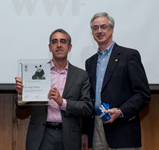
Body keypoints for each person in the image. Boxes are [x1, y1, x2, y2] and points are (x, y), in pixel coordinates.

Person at [81, 12, 151, 150]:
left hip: (123, 130)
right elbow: (89, 99)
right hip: (97, 130)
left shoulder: (129, 56)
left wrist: (120, 111)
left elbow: (143, 94)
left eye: (103, 27)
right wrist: (85, 132)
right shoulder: (90, 62)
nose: (99, 31)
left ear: (112, 29)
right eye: (95, 28)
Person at [15, 29, 93, 150]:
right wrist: (21, 94)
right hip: (42, 134)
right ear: (50, 47)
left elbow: (87, 108)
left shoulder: (81, 75)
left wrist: (62, 102)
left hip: (69, 136)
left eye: (63, 41)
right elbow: (21, 106)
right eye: (54, 42)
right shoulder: (36, 72)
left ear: (70, 47)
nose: (59, 45)